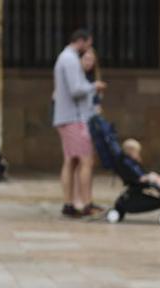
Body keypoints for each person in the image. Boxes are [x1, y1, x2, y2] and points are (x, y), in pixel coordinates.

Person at [53, 29, 105, 218]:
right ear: (81, 41)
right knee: (85, 160)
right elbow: (75, 89)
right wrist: (94, 87)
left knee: (72, 161)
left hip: (68, 117)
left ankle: (71, 203)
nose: (88, 49)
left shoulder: (66, 58)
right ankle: (85, 203)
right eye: (88, 44)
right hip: (73, 118)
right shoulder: (70, 59)